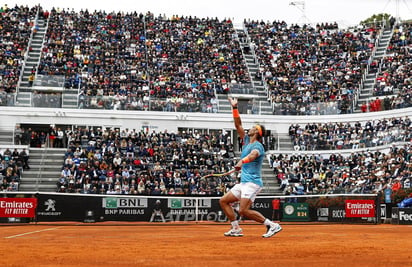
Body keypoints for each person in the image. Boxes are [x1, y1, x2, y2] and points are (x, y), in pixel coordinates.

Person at [219, 97, 282, 238]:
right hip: (244, 183)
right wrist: (234, 107)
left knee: (243, 211)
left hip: (253, 183)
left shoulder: (258, 146)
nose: (250, 128)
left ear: (257, 133)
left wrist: (242, 162)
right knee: (223, 201)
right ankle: (236, 228)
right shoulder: (247, 141)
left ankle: (272, 225)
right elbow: (238, 125)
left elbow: (253, 156)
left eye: (253, 128)